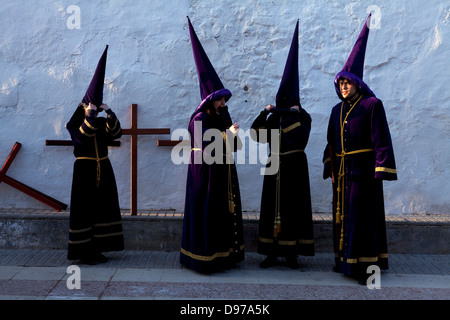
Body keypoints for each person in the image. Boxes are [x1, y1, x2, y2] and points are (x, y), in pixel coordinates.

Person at [322, 14, 397, 284]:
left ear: (357, 84)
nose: (343, 87)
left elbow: (381, 140)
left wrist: (380, 171)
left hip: (364, 173)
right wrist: (330, 166)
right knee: (342, 217)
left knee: (363, 218)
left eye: (348, 83)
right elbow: (331, 140)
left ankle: (365, 267)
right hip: (342, 173)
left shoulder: (372, 105)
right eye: (340, 83)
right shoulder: (336, 110)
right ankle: (344, 261)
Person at [179, 17, 245, 273]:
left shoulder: (219, 115)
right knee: (206, 211)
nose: (223, 103)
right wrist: (227, 133)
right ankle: (204, 258)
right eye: (220, 99)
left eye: (225, 99)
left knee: (220, 214)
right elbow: (207, 147)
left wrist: (231, 130)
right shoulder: (199, 118)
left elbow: (232, 146)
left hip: (221, 171)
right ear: (210, 100)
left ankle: (225, 256)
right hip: (204, 173)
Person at [251, 21, 314, 269]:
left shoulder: (303, 117)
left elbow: (297, 138)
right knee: (270, 209)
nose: (284, 102)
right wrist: (264, 113)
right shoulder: (275, 117)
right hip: (274, 164)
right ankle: (270, 252)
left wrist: (292, 114)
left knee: (293, 209)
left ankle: (292, 254)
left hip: (295, 166)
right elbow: (257, 135)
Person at [66, 45, 124, 265]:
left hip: (104, 168)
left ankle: (99, 247)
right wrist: (89, 114)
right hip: (85, 170)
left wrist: (108, 112)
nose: (95, 111)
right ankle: (84, 250)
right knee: (85, 210)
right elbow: (82, 136)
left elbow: (116, 133)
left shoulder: (100, 121)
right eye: (91, 108)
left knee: (103, 208)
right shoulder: (75, 122)